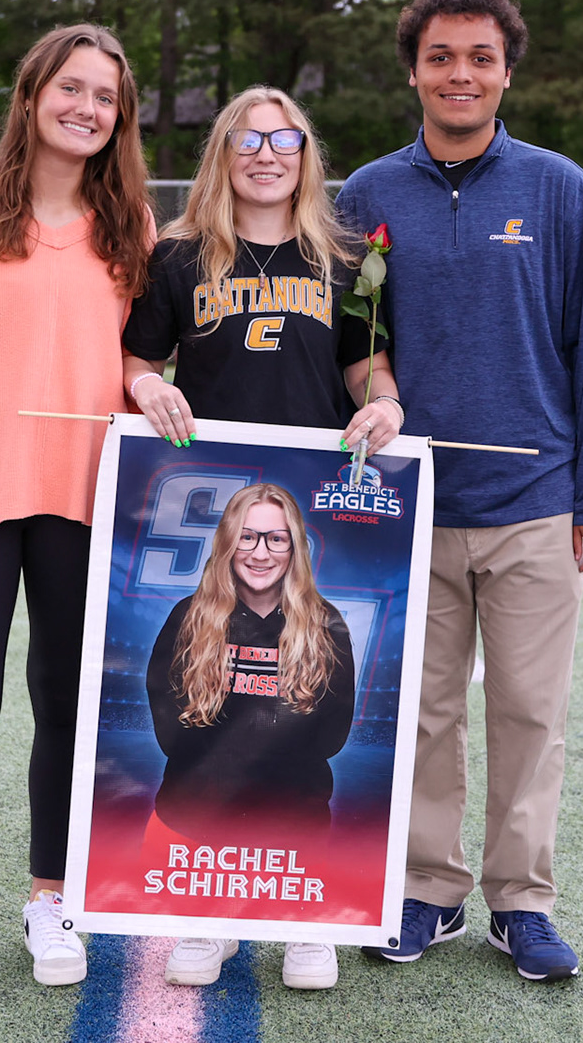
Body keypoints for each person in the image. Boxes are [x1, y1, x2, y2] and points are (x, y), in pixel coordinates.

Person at [335, 0, 583, 983]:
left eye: (481, 58)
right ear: (413, 70)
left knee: (532, 712)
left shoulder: (559, 188)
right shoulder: (366, 195)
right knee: (423, 711)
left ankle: (524, 900)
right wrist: (383, 395)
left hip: (537, 504)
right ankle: (426, 888)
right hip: (410, 505)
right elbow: (357, 342)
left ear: (507, 74)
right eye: (442, 56)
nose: (461, 73)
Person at [121, 85, 402, 991]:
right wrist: (142, 387)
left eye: (284, 138)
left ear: (306, 152)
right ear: (223, 153)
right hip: (214, 500)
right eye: (248, 138)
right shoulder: (176, 255)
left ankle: (301, 914)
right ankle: (214, 910)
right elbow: (139, 354)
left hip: (309, 501)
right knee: (213, 700)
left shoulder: (342, 254)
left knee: (303, 700)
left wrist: (385, 400)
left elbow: (363, 361)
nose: (267, 153)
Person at [0, 23, 157, 994]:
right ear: (31, 93)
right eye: (72, 88)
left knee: (66, 704)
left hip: (83, 495)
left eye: (106, 97)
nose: (87, 107)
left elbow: (139, 362)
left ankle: (50, 896)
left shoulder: (131, 225)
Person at [144, 485, 356, 990]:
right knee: (199, 801)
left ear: (296, 548)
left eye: (277, 540)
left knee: (298, 804)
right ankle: (213, 915)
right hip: (203, 806)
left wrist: (273, 762)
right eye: (248, 537)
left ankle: (301, 917)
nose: (261, 553)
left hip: (291, 804)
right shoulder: (188, 617)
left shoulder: (325, 623)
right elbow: (166, 717)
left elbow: (333, 731)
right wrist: (220, 763)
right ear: (226, 544)